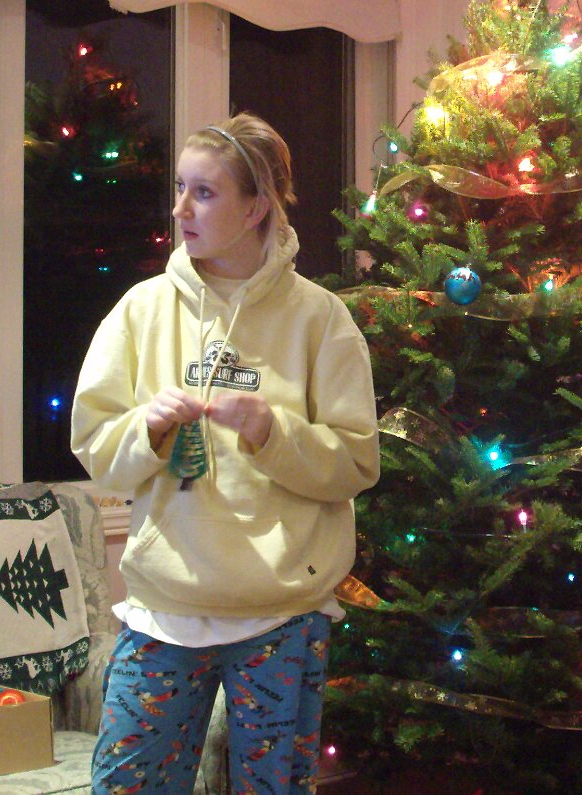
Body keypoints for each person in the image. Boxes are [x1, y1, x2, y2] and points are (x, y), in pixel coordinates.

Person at [72, 112, 380, 794]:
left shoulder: (321, 319)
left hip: (281, 617)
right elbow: (97, 449)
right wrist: (147, 429)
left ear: (256, 207)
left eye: (204, 192)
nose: (180, 208)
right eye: (179, 188)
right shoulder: (140, 311)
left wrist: (274, 432)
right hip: (164, 611)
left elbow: (357, 463)